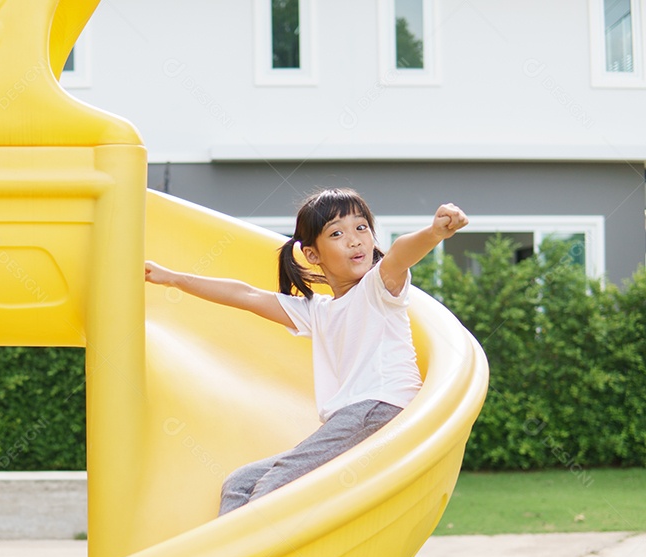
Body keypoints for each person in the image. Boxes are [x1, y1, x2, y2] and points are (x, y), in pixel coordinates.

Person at [144, 188, 469, 515]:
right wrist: (173, 279)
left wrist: (434, 232)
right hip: (351, 418)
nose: (355, 240)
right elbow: (246, 295)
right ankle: (234, 555)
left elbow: (400, 253)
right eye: (337, 233)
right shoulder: (319, 311)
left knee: (276, 487)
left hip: (380, 407)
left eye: (362, 228)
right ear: (313, 255)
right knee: (241, 482)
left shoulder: (379, 288)